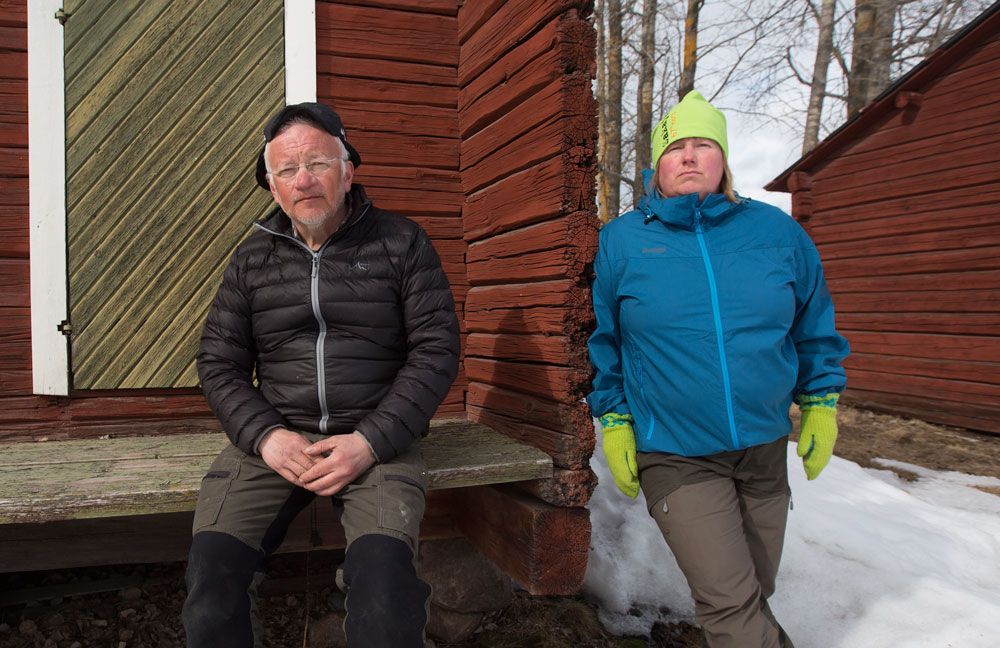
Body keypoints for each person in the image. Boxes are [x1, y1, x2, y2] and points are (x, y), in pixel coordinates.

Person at [182, 102, 460, 648]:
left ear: (348, 170)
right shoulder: (251, 262)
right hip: (277, 437)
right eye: (286, 170)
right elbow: (218, 361)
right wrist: (265, 436)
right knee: (211, 585)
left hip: (376, 438)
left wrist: (371, 441)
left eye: (318, 163)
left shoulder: (401, 243)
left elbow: (436, 350)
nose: (303, 179)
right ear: (272, 186)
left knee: (385, 599)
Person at [587, 90, 849, 648]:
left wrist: (822, 402)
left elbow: (812, 324)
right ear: (655, 163)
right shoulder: (623, 242)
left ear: (722, 158)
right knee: (730, 603)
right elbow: (602, 340)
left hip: (763, 448)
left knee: (753, 588)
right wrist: (613, 419)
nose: (688, 156)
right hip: (677, 453)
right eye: (675, 146)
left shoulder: (776, 234)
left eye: (703, 144)